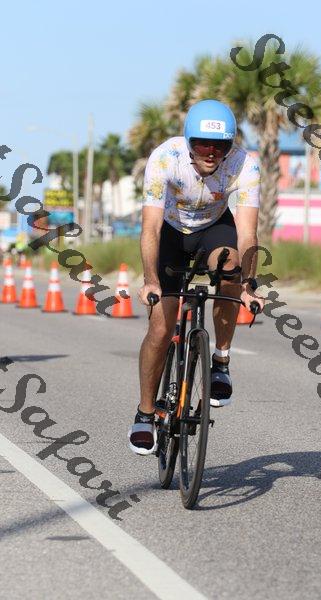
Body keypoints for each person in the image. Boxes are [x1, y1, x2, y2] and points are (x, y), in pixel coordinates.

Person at [129, 99, 265, 455]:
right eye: (203, 144)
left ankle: (221, 360)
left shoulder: (244, 164)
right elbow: (150, 228)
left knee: (231, 265)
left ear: (230, 145)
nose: (211, 152)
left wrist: (249, 284)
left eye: (220, 145)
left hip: (213, 228)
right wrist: (150, 280)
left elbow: (248, 233)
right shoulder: (165, 158)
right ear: (189, 142)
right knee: (161, 329)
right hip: (170, 232)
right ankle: (145, 413)